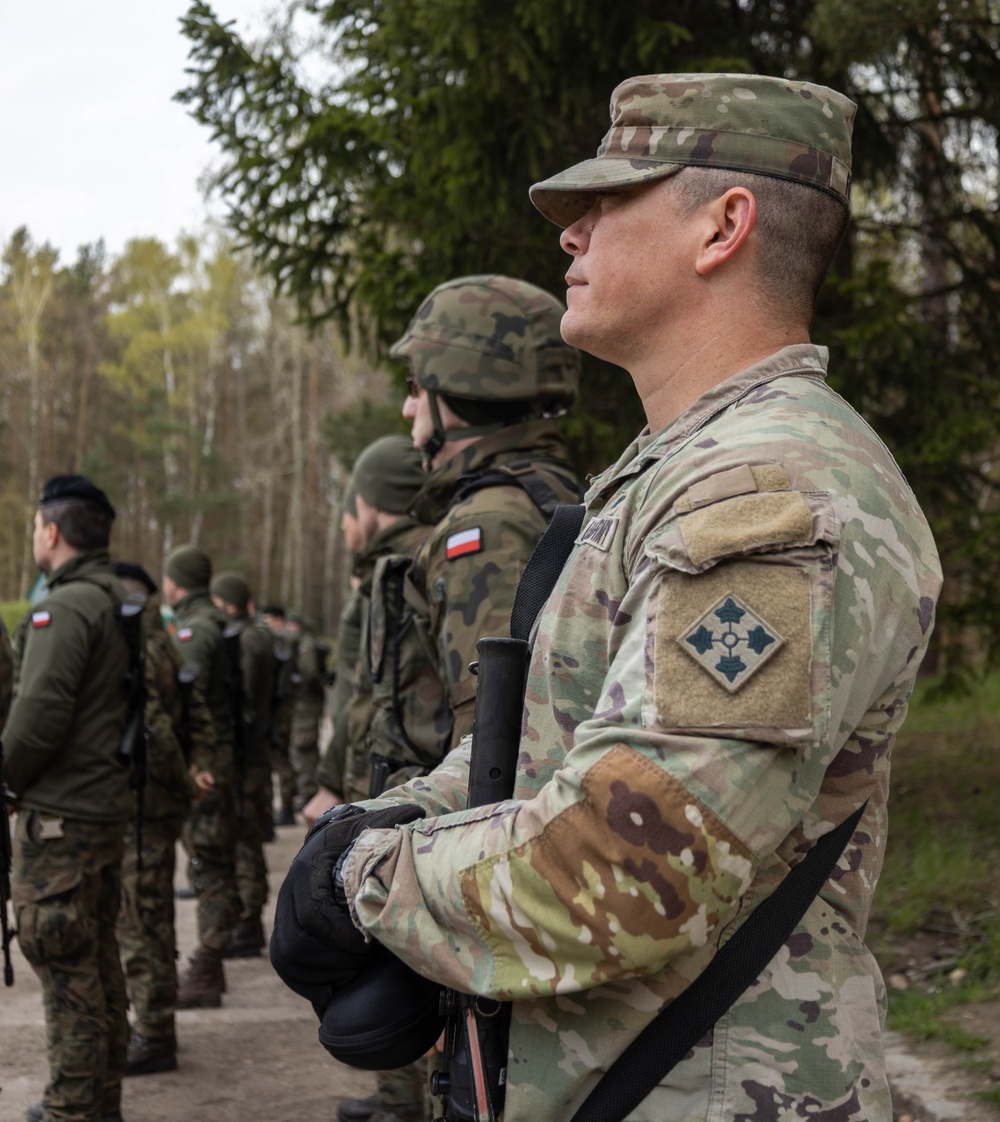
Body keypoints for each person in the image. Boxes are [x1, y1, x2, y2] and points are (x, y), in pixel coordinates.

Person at [274, 75, 943, 1121]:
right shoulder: (672, 472)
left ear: (723, 227)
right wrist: (400, 811)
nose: (568, 238)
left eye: (608, 202)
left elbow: (629, 868)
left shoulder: (769, 493)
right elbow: (549, 748)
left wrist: (362, 876)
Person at [2, 475, 131, 1122]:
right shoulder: (115, 596)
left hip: (62, 819)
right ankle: (99, 1099)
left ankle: (72, 1108)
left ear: (51, 532)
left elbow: (40, 713)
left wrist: (4, 778)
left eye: (33, 527)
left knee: (66, 969)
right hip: (101, 808)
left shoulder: (65, 607)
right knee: (97, 960)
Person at [112, 561, 215, 1077]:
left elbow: (153, 726)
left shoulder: (139, 646)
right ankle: (155, 1022)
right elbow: (198, 714)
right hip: (157, 804)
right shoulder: (167, 642)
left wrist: (181, 778)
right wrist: (196, 771)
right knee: (149, 915)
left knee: (139, 920)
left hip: (142, 805)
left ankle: (153, 1031)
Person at [304, 441, 428, 827]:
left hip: (397, 788)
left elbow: (376, 690)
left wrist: (333, 781)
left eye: (350, 506)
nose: (344, 522)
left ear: (373, 500)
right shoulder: (396, 568)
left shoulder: (402, 570)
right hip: (387, 779)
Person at [161, 544, 240, 1008]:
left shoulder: (195, 630)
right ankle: (212, 961)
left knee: (209, 863)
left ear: (177, 581)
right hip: (221, 757)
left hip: (206, 764)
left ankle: (208, 966)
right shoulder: (217, 622)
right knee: (213, 860)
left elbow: (187, 698)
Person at [210, 571, 274, 958]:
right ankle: (246, 919)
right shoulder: (257, 634)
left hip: (247, 756)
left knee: (245, 837)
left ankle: (248, 921)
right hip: (255, 752)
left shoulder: (247, 638)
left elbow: (244, 693)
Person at [285, 610, 326, 812]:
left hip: (307, 703)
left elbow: (309, 672)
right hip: (307, 702)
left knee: (304, 747)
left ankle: (310, 793)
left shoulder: (305, 642)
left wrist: (297, 689)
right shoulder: (304, 641)